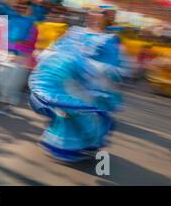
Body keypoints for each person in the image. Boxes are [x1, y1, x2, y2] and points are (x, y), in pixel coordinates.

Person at [29, 10, 128, 162]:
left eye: (98, 18)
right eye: (92, 17)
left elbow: (114, 65)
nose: (94, 20)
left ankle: (72, 148)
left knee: (78, 113)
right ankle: (62, 147)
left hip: (87, 84)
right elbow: (55, 47)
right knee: (64, 109)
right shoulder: (74, 32)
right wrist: (45, 56)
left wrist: (94, 70)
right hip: (63, 77)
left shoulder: (109, 39)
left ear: (106, 21)